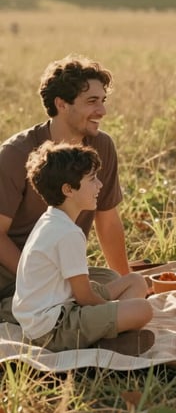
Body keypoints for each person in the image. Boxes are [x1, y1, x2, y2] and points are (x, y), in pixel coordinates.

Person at [0, 54, 143, 322]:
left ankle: (80, 316)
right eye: (92, 102)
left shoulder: (102, 147)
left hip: (63, 273)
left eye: (103, 101)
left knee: (116, 280)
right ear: (61, 104)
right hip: (12, 277)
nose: (102, 111)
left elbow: (108, 221)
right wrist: (38, 282)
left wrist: (125, 281)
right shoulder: (15, 153)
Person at [12, 141, 154, 355]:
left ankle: (111, 333)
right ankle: (103, 341)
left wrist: (112, 308)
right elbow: (84, 297)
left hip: (56, 306)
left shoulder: (52, 218)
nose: (99, 185)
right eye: (92, 179)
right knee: (143, 309)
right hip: (53, 328)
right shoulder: (67, 233)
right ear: (68, 189)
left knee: (134, 280)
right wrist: (112, 309)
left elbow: (79, 290)